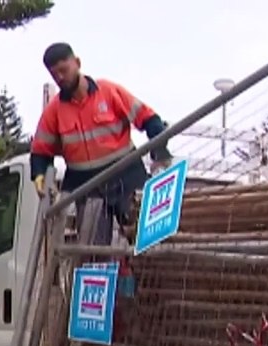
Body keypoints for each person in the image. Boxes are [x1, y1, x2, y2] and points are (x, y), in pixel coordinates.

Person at [30, 42, 172, 245]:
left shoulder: (109, 91)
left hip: (126, 175)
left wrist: (160, 151)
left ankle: (143, 273)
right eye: (55, 75)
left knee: (145, 240)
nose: (60, 78)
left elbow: (149, 119)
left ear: (77, 63)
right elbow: (40, 151)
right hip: (86, 186)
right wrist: (39, 174)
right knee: (92, 252)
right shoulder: (53, 112)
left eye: (64, 70)